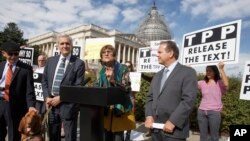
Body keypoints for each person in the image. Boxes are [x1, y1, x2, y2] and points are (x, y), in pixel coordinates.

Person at [144, 40, 197, 141]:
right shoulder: (157, 75)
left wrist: (173, 121)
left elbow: (188, 100)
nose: (157, 55)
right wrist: (149, 116)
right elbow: (150, 98)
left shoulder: (187, 72)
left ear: (170, 54)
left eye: (160, 52)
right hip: (155, 130)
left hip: (174, 131)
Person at [42, 34, 85, 141]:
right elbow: (44, 81)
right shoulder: (50, 61)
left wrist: (61, 98)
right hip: (51, 105)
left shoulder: (79, 63)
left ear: (71, 46)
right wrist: (47, 97)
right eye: (62, 43)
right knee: (53, 136)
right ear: (57, 46)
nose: (64, 46)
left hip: (68, 106)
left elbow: (78, 86)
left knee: (70, 137)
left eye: (67, 43)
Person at [96, 45, 136, 141]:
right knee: (106, 136)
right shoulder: (100, 70)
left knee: (118, 137)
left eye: (109, 52)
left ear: (114, 55)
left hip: (119, 109)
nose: (106, 53)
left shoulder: (123, 68)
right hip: (105, 110)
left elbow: (127, 88)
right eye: (104, 52)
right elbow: (97, 87)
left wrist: (113, 80)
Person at [0, 41, 37, 141]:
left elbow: (29, 90)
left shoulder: (26, 68)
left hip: (16, 107)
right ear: (3, 53)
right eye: (10, 54)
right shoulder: (1, 66)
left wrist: (31, 106)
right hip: (0, 103)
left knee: (14, 135)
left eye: (16, 54)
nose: (13, 57)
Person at [197, 62, 229, 141]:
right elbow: (189, 83)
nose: (208, 72)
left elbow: (226, 84)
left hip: (214, 112)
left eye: (210, 71)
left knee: (214, 136)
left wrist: (221, 69)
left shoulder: (219, 83)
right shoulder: (201, 83)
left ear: (215, 72)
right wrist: (189, 70)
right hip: (201, 111)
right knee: (203, 136)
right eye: (207, 70)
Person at [124, 61, 137, 141]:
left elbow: (135, 91)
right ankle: (121, 133)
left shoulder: (135, 76)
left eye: (128, 66)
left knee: (130, 117)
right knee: (122, 116)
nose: (127, 68)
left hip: (131, 97)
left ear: (131, 67)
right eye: (125, 66)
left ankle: (128, 135)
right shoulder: (121, 75)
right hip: (122, 98)